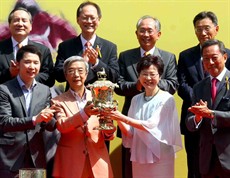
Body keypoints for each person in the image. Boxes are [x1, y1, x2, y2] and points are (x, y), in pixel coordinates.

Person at [115, 15, 178, 178]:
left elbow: (172, 84)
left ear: (158, 34)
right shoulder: (125, 56)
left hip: (159, 141)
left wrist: (149, 83)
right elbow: (119, 85)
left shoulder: (168, 57)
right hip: (134, 131)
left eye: (150, 30)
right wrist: (137, 86)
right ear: (136, 33)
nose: (146, 34)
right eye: (142, 30)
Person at [102, 55, 182, 178]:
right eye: (144, 74)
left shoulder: (166, 99)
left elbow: (150, 125)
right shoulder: (135, 99)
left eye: (152, 74)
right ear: (139, 76)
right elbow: (130, 132)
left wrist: (121, 117)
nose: (148, 78)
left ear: (160, 76)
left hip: (160, 156)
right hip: (140, 155)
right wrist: (116, 116)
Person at [177, 11, 230, 178]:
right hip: (201, 136)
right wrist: (199, 109)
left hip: (227, 142)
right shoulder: (187, 58)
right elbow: (181, 84)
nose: (203, 33)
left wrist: (211, 113)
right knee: (195, 169)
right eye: (198, 29)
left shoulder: (226, 57)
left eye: (206, 28)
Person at [51, 56, 115, 178]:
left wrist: (109, 129)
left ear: (86, 74)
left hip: (98, 160)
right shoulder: (57, 101)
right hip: (71, 162)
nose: (76, 75)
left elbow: (108, 132)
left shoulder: (100, 96)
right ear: (65, 75)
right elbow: (62, 126)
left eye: (80, 71)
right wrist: (84, 114)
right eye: (71, 71)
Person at [0, 45, 56, 178]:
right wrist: (35, 119)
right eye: (27, 62)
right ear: (18, 64)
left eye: (36, 63)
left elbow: (47, 125)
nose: (32, 66)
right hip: (10, 157)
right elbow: (4, 122)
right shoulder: (4, 89)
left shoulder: (45, 90)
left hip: (35, 157)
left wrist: (53, 118)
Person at [186, 39, 230, 178]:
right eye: (206, 59)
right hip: (207, 159)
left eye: (214, 58)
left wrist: (211, 114)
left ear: (224, 57)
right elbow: (189, 121)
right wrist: (198, 117)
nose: (210, 63)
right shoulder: (199, 87)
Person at [54, 1, 119, 87]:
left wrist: (96, 63)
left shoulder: (109, 47)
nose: (89, 21)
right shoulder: (65, 46)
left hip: (99, 98)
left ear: (99, 20)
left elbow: (115, 77)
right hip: (73, 98)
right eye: (85, 18)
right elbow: (58, 76)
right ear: (78, 20)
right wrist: (80, 63)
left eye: (92, 18)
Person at [0, 7, 55, 87]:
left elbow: (49, 78)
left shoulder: (43, 50)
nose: (20, 24)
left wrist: (28, 76)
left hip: (34, 97)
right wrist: (9, 73)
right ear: (9, 25)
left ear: (31, 26)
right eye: (16, 20)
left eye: (24, 21)